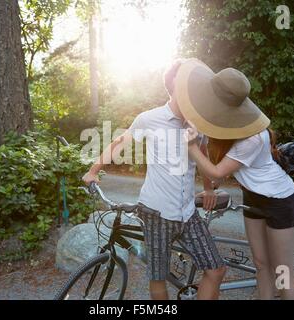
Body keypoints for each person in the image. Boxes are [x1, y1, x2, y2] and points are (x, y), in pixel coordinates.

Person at [82, 59, 226, 300]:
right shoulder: (150, 119)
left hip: (188, 212)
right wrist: (93, 170)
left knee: (216, 269)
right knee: (158, 278)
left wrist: (209, 189)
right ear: (175, 88)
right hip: (156, 213)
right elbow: (120, 143)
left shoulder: (198, 123)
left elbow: (201, 156)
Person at [177, 58, 294, 300]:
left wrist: (191, 146)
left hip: (280, 201)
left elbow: (216, 173)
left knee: (283, 270)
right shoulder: (225, 126)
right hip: (253, 198)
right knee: (261, 263)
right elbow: (212, 177)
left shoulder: (253, 138)